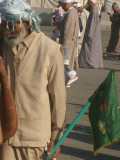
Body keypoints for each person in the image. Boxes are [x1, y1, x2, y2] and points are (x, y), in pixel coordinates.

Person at [0, 0, 66, 160]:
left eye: (11, 27)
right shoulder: (4, 46)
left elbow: (58, 100)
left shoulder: (50, 50)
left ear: (27, 23)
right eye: (4, 27)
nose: (7, 32)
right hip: (7, 140)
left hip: (36, 142)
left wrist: (56, 139)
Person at [60, 0, 79, 86]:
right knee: (65, 61)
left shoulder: (71, 13)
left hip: (67, 42)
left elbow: (68, 30)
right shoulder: (72, 12)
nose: (61, 6)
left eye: (62, 4)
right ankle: (67, 79)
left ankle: (72, 74)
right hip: (69, 41)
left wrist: (65, 44)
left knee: (65, 61)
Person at [79, 0, 103, 69]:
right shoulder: (94, 11)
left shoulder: (94, 12)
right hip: (93, 33)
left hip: (92, 34)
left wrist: (90, 35)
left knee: (90, 49)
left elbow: (93, 24)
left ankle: (89, 63)